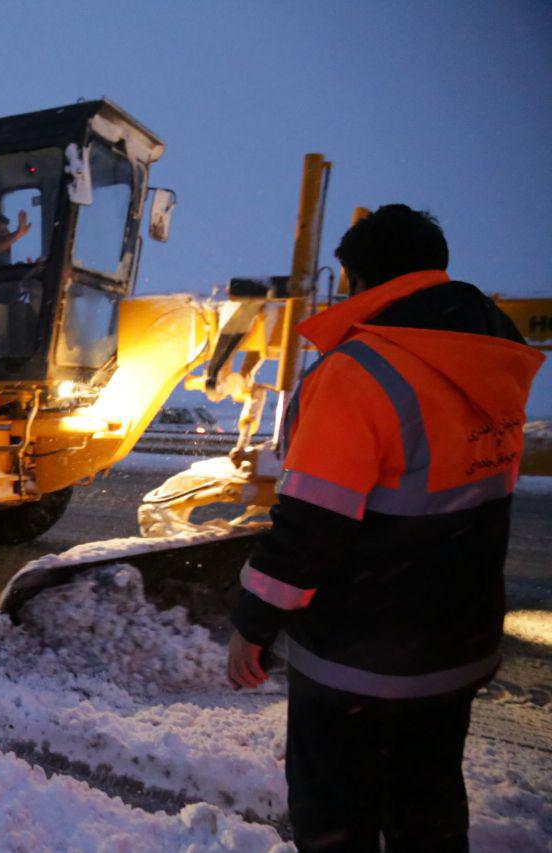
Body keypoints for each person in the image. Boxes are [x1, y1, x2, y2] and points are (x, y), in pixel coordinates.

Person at [226, 204, 544, 850]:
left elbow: (311, 527)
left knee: (336, 821)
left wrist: (251, 627)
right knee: (427, 813)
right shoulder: (494, 360)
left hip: (359, 662)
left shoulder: (357, 372)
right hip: (456, 648)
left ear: (356, 279)